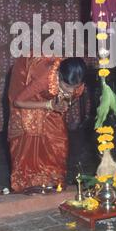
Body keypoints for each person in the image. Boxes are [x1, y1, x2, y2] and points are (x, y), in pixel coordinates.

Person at [8, 56, 86, 193]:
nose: (71, 91)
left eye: (76, 87)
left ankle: (52, 181)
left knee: (59, 141)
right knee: (30, 142)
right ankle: (30, 184)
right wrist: (49, 105)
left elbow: (70, 97)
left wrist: (63, 103)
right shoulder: (44, 79)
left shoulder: (76, 81)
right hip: (29, 100)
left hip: (51, 102)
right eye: (67, 87)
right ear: (58, 76)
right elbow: (18, 102)